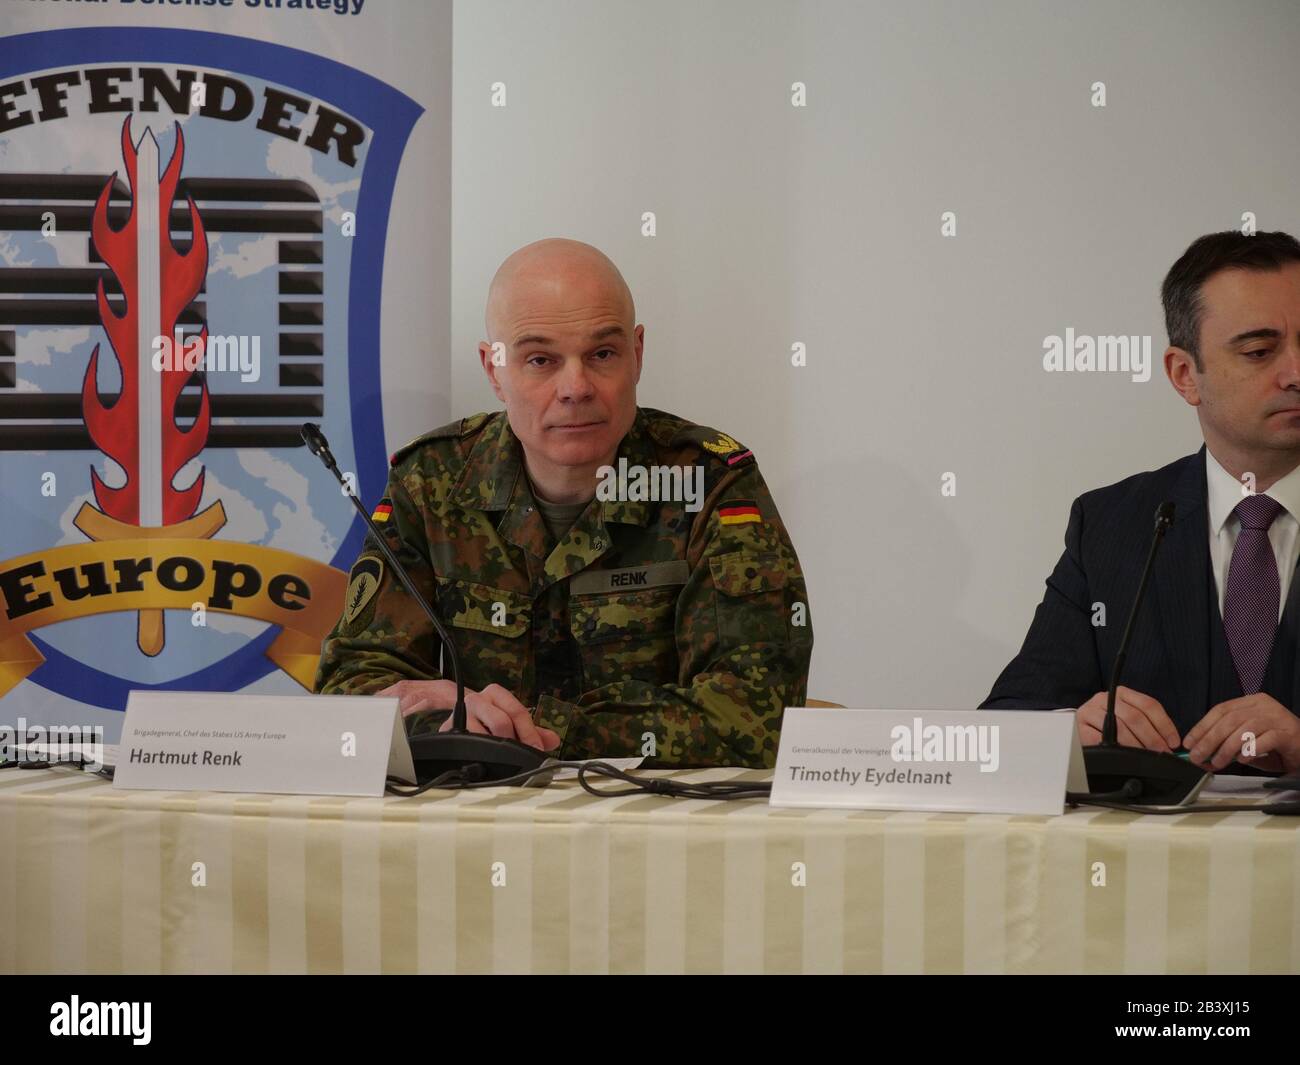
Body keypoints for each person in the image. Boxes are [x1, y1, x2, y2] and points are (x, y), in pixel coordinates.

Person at [315, 238, 812, 768]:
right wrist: (441, 722)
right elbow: (349, 690)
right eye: (540, 360)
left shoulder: (708, 483)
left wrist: (518, 728)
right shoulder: (431, 484)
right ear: (493, 370)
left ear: (637, 355)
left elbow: (760, 720)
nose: (575, 387)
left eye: (602, 354)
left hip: (653, 830)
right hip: (477, 822)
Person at [982, 230, 1300, 775]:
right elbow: (1003, 725)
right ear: (1184, 375)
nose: (1295, 373)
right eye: (1258, 351)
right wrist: (1068, 733)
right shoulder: (1112, 525)